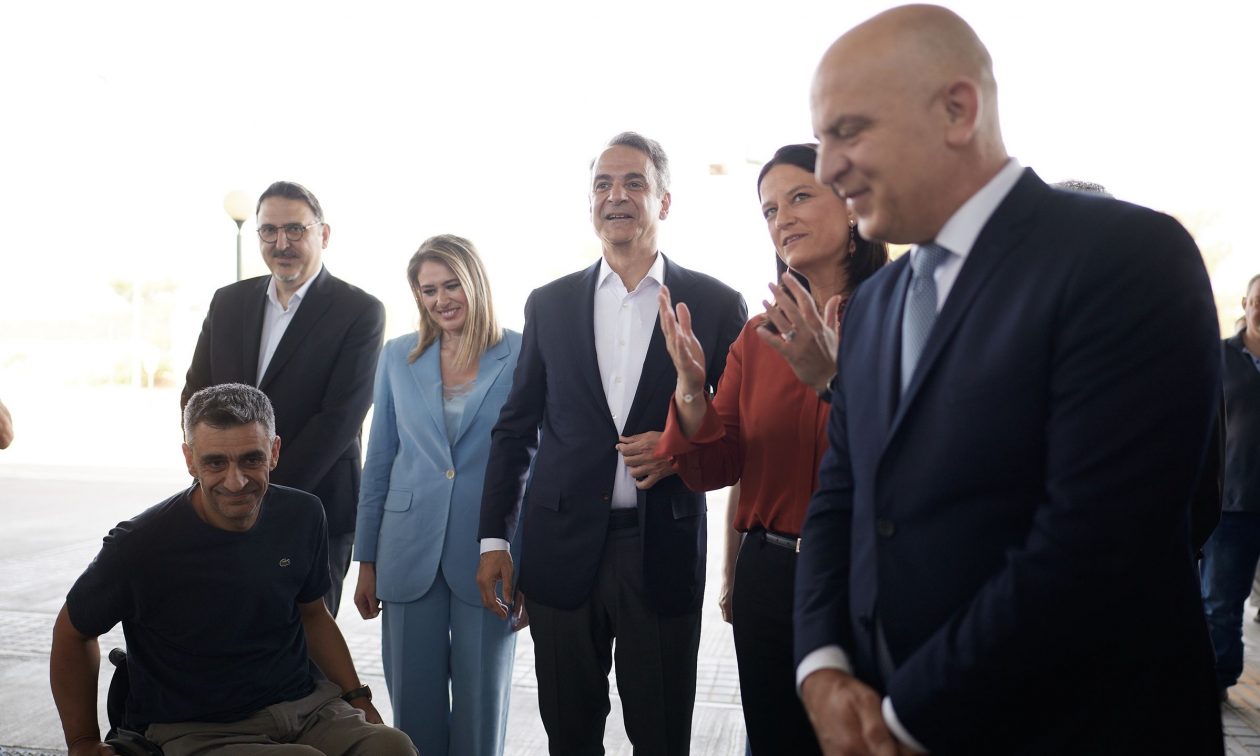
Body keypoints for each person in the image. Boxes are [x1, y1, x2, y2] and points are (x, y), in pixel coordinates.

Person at [792, 6, 1222, 754]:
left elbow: (1095, 544)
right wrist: (822, 669)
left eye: (848, 131)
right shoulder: (876, 304)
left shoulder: (1128, 259)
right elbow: (841, 497)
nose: (826, 168)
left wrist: (902, 721)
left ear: (958, 110)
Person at [477, 132, 746, 755]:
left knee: (661, 735)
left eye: (633, 183)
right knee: (569, 734)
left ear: (664, 201)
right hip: (560, 552)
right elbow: (516, 429)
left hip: (661, 551)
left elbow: (737, 437)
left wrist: (678, 448)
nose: (615, 196)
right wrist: (494, 539)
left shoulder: (715, 303)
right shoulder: (550, 304)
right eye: (602, 184)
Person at [656, 142, 886, 754]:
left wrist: (835, 380)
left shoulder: (907, 315)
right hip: (771, 581)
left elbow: (919, 452)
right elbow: (716, 465)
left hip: (871, 573)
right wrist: (690, 389)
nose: (782, 218)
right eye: (769, 210)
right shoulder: (758, 337)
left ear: (853, 205)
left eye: (800, 197)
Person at [49, 383, 415, 755]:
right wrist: (82, 741)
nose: (235, 481)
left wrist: (357, 697)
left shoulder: (303, 514)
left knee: (392, 746)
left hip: (305, 708)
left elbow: (313, 615)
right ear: (190, 459)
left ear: (274, 452)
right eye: (215, 463)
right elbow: (72, 633)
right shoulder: (139, 544)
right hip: (196, 727)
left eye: (251, 459)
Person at [182, 181, 385, 616]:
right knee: (227, 629)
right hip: (224, 502)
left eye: (295, 229)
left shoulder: (360, 311)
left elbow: (339, 419)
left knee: (305, 642)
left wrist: (259, 491)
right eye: (269, 231)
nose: (281, 243)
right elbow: (196, 394)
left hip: (314, 506)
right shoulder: (228, 301)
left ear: (323, 234)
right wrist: (220, 479)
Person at [353, 234, 521, 754]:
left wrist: (528, 559)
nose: (441, 299)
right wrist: (366, 560)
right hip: (406, 548)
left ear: (476, 284)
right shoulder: (397, 356)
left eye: (452, 285)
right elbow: (379, 459)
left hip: (490, 552)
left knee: (481, 705)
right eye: (429, 290)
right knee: (412, 707)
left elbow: (534, 463)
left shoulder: (520, 352)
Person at [1202, 273, 1260, 700]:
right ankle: (1216, 680)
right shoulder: (1218, 357)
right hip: (1233, 502)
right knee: (1222, 603)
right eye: (1259, 300)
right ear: (1245, 304)